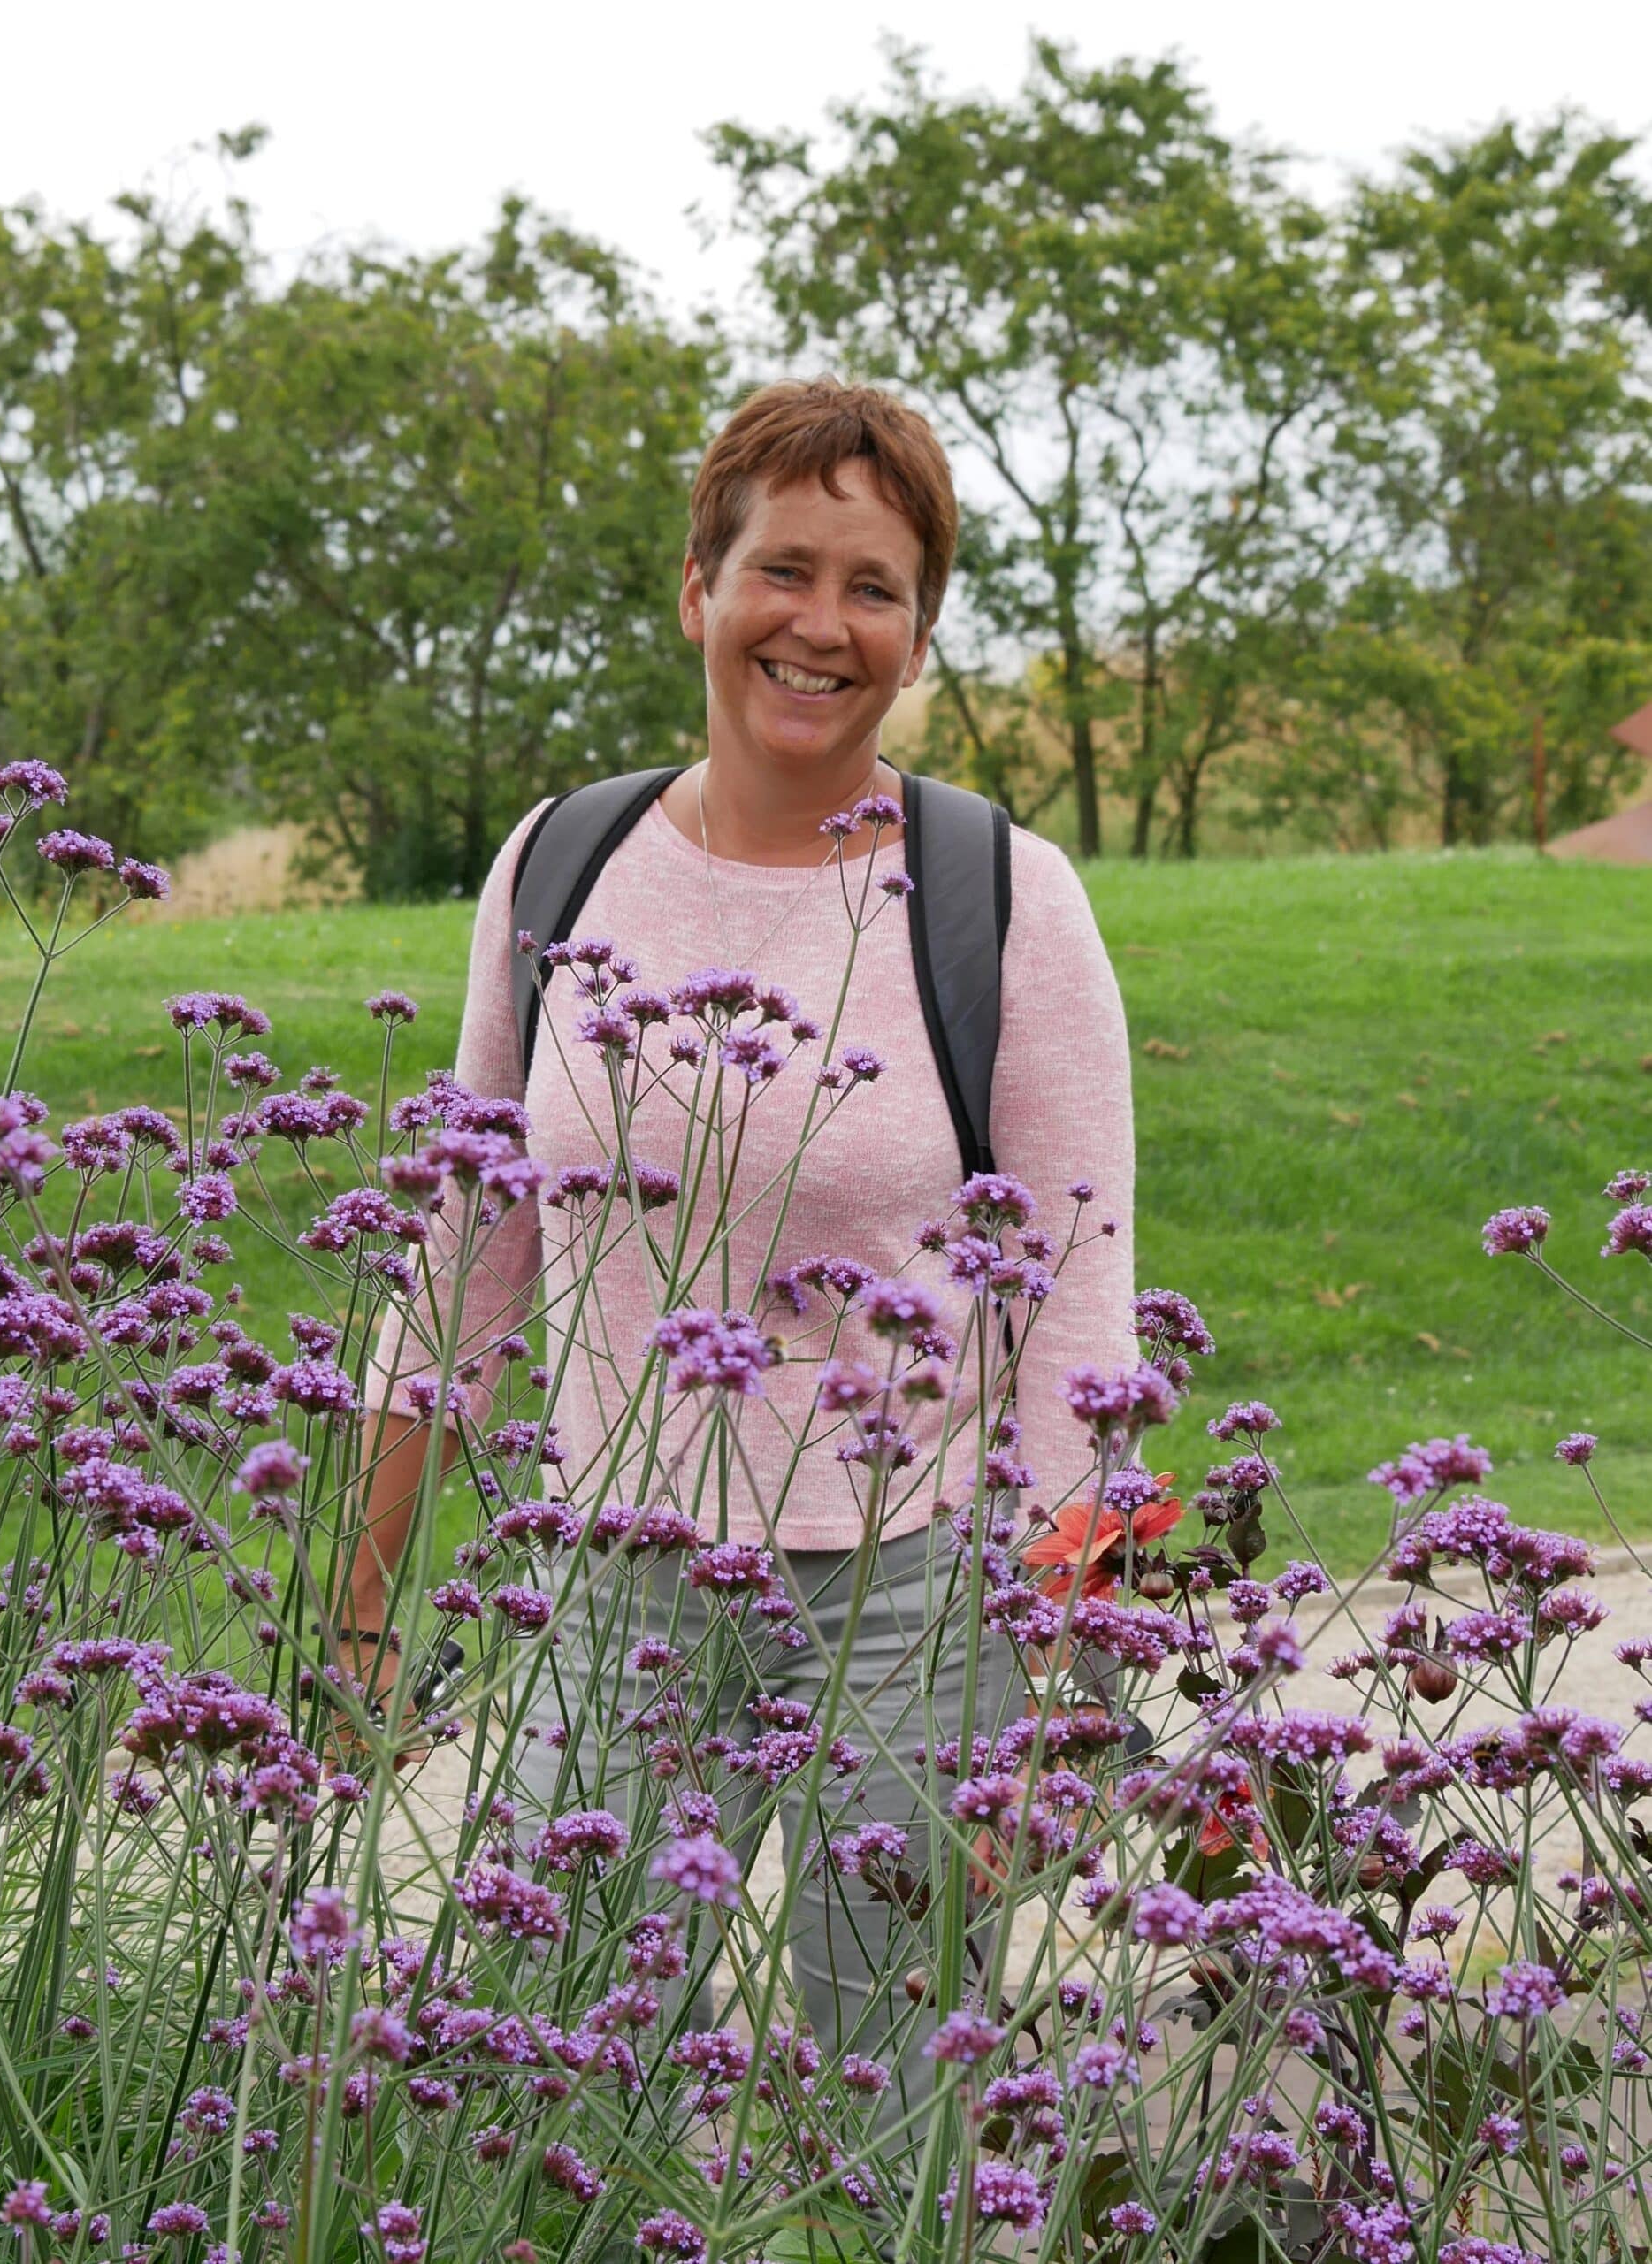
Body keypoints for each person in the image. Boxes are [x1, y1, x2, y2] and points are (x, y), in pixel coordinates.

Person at [346, 376, 1136, 2120]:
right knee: (561, 2079)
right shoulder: (559, 864)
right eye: (783, 568)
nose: (821, 624)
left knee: (890, 2107)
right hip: (615, 1581)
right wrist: (362, 1595)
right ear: (698, 590)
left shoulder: (1001, 894)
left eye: (874, 588)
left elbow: (1087, 1327)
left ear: (918, 640)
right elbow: (463, 1248)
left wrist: (1081, 1697)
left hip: (925, 1591)